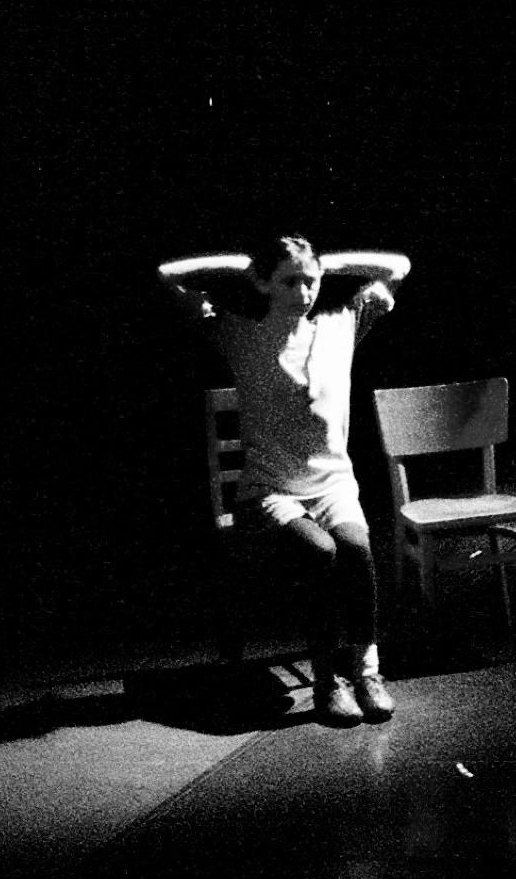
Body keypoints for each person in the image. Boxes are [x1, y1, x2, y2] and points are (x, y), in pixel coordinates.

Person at [161, 236, 413, 720]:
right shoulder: (239, 333)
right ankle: (325, 681)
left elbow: (398, 266)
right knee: (320, 551)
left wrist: (328, 262)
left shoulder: (342, 324)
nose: (303, 292)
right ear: (265, 283)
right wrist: (241, 265)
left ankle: (366, 670)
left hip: (333, 484)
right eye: (290, 281)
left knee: (357, 549)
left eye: (310, 282)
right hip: (269, 490)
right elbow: (169, 276)